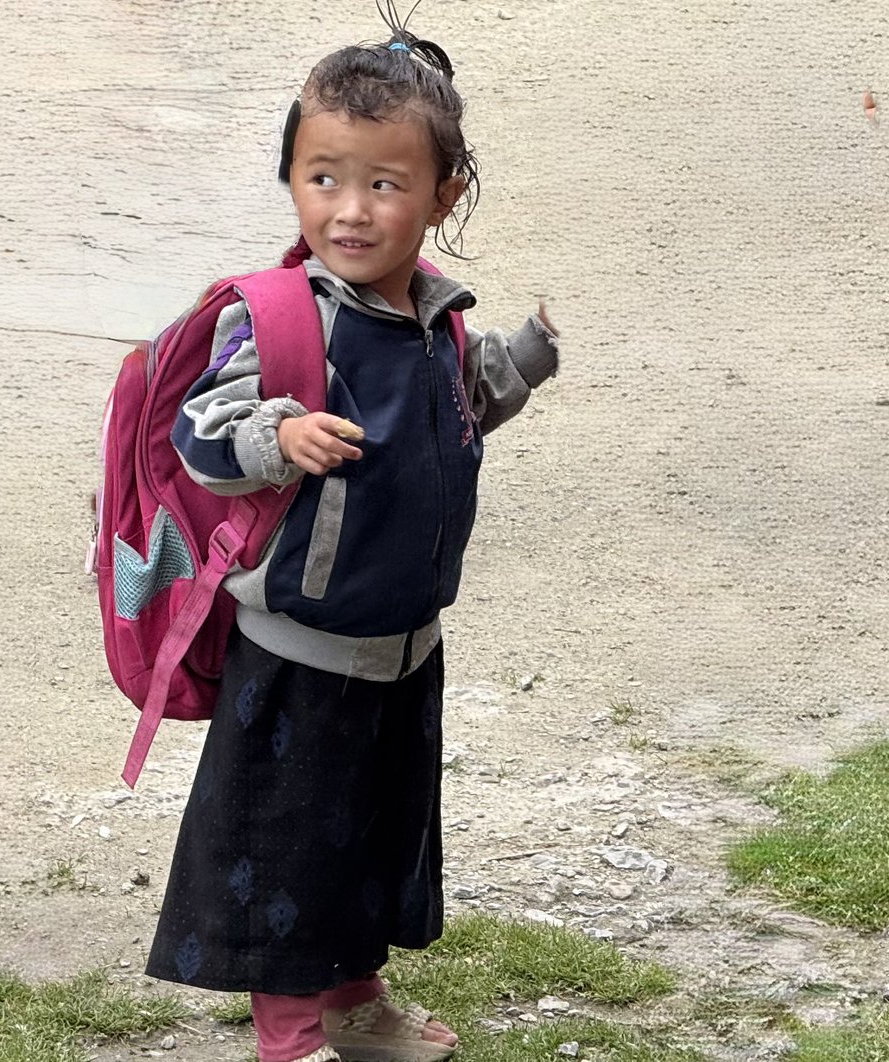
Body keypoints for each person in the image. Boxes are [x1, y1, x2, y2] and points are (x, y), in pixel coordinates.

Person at [143, 7, 559, 1061]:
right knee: (283, 858)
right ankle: (290, 1036)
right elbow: (204, 434)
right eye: (324, 177)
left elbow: (462, 407)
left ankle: (358, 1004)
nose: (353, 209)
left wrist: (529, 355)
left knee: (369, 844)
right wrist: (279, 433)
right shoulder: (278, 316)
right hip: (298, 656)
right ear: (290, 177)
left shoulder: (435, 314)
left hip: (405, 645)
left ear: (441, 193)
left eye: (385, 182)